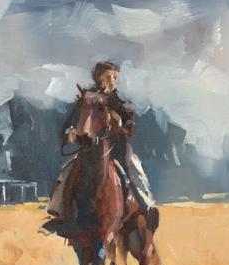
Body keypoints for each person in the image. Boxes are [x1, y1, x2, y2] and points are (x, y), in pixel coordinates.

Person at [62, 61, 158, 229]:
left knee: (133, 172)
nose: (112, 81)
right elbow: (71, 122)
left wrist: (119, 126)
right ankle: (61, 213)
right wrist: (70, 131)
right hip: (89, 150)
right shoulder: (86, 99)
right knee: (66, 174)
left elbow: (129, 127)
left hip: (116, 149)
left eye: (115, 78)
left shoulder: (121, 102)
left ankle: (146, 206)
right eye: (108, 77)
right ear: (97, 77)